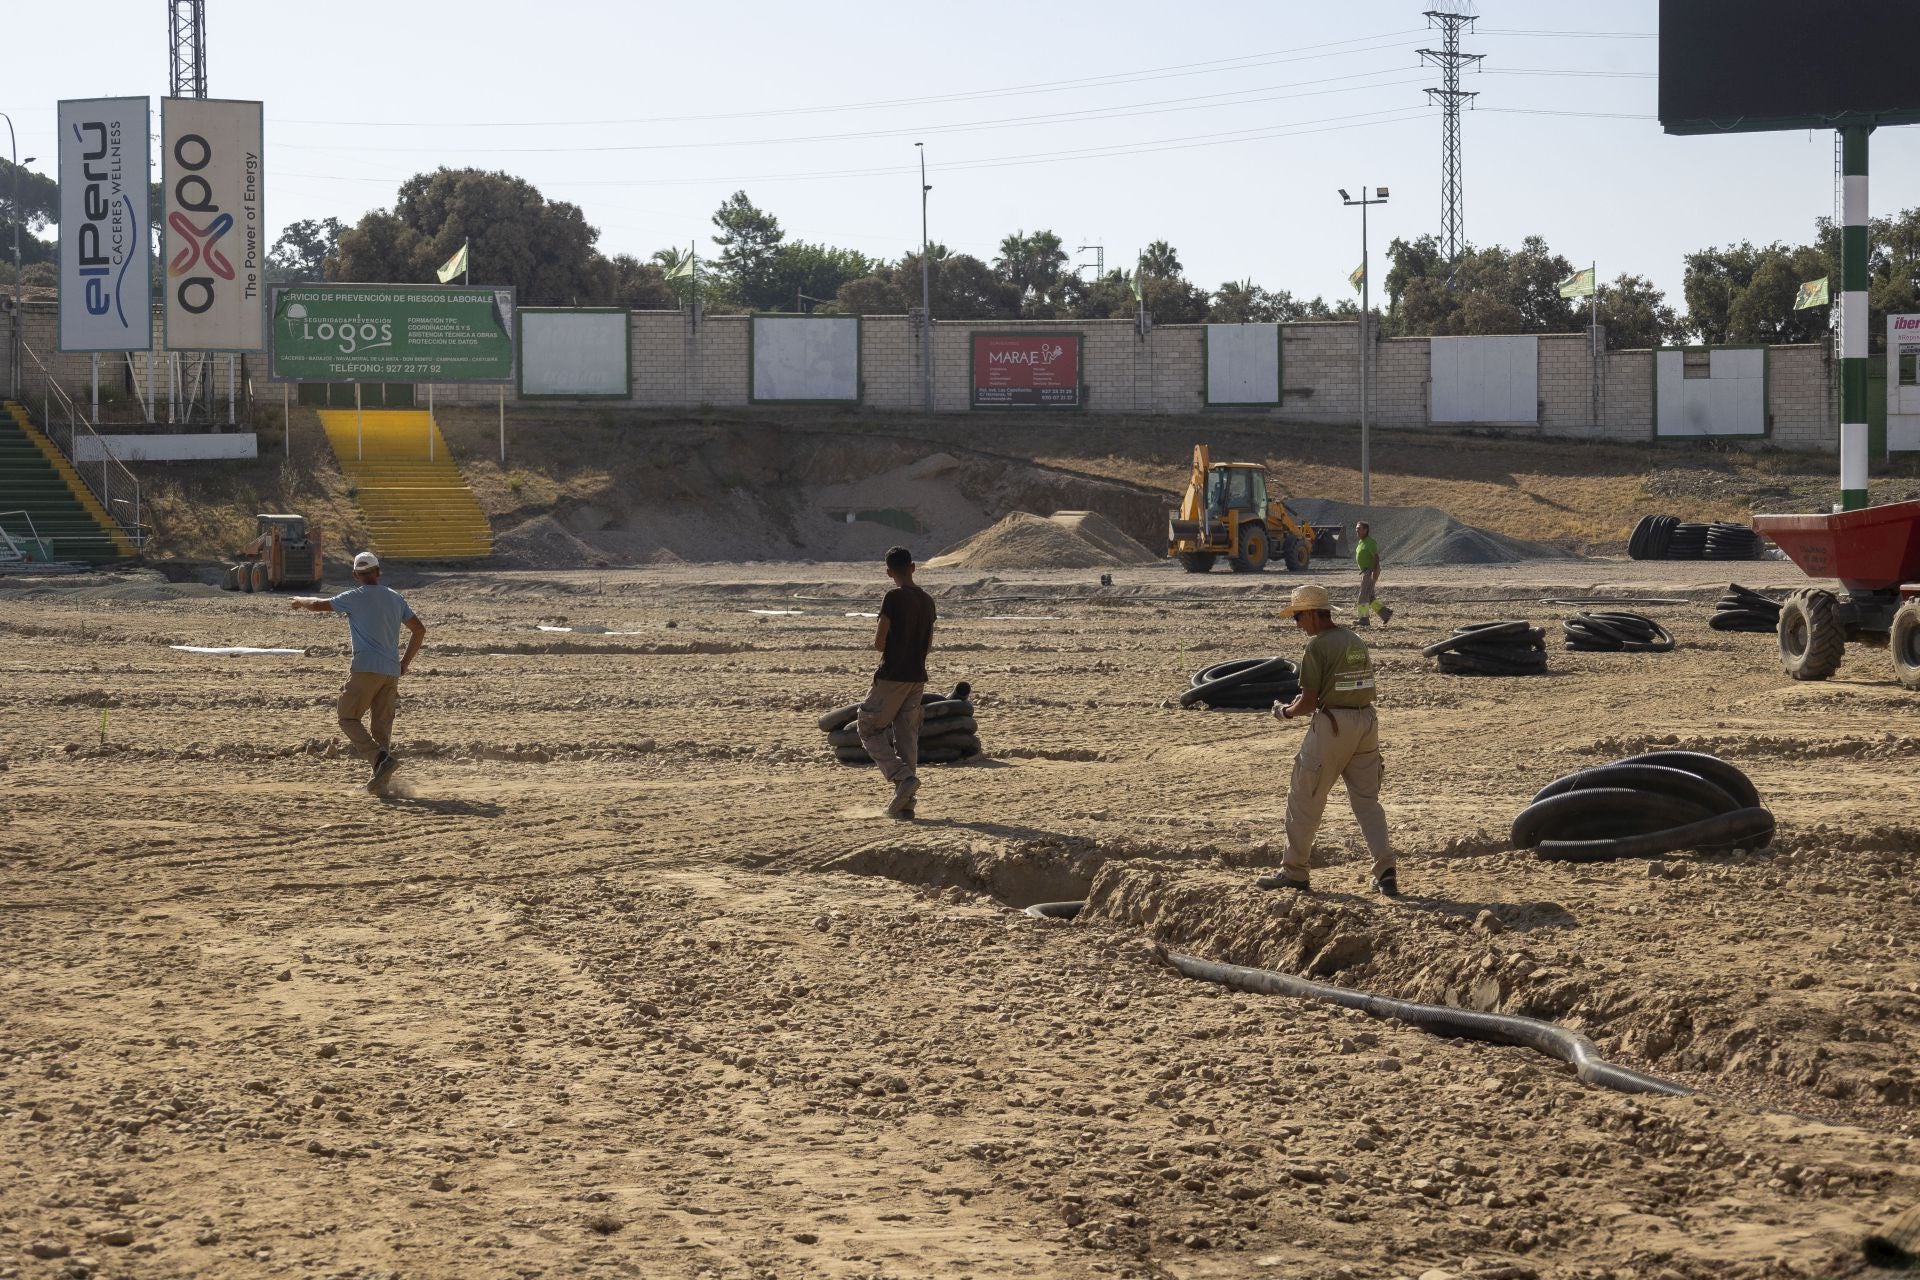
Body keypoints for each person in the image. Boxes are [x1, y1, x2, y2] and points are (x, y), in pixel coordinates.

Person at [1259, 583, 1398, 896]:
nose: (1297, 624)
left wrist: (1285, 712)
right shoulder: (1354, 640)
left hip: (1334, 726)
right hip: (1366, 722)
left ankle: (1294, 871)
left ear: (1311, 614)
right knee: (1367, 803)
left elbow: (1308, 702)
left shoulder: (1318, 646)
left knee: (1304, 797)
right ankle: (1386, 870)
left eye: (1297, 618)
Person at [290, 551, 426, 794]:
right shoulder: (396, 598)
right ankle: (382, 785)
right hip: (391, 671)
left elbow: (318, 605)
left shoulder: (354, 596)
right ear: (378, 572)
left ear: (355, 575)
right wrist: (404, 663)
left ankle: (379, 760)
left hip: (365, 668)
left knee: (347, 717)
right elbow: (419, 630)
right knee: (381, 727)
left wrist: (300, 599)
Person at [858, 546, 936, 820]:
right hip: (917, 676)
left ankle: (901, 778)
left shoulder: (893, 597)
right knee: (906, 736)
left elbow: (879, 643)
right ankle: (906, 803)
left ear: (889, 572)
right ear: (913, 567)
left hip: (892, 675)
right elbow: (927, 646)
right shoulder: (927, 601)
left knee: (868, 728)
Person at [1353, 521, 1393, 626]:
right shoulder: (1361, 542)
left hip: (1369, 571)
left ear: (1366, 530)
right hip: (1365, 571)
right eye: (1356, 529)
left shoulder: (1370, 542)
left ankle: (1363, 619)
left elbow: (1376, 557)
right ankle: (1385, 613)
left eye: (1359, 528)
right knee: (1369, 596)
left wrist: (1374, 571)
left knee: (1363, 596)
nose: (1357, 531)